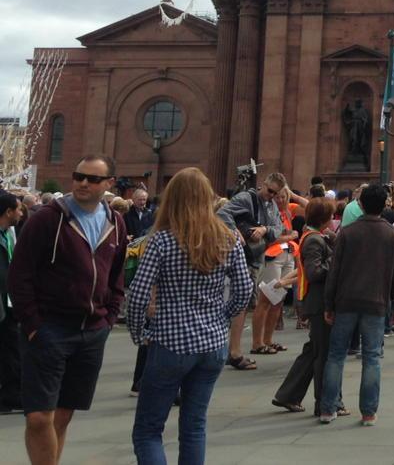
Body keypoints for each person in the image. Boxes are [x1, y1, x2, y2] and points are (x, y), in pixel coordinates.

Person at [127, 167, 252, 464]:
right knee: (194, 426)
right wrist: (223, 317)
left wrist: (138, 332)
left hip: (170, 342)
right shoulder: (227, 238)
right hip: (212, 344)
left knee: (148, 430)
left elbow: (139, 292)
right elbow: (245, 289)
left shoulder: (161, 240)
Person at [9, 155, 128, 465]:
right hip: (49, 328)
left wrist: (109, 315)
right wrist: (34, 323)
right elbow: (19, 274)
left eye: (92, 178)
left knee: (62, 415)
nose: (83, 183)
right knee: (38, 417)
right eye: (78, 176)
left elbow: (116, 274)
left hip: (91, 330)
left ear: (109, 184)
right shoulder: (48, 219)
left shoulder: (115, 221)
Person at [320, 183, 394, 426]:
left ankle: (327, 409)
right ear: (385, 206)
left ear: (360, 204)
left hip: (345, 301)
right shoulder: (393, 234)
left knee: (336, 356)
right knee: (371, 358)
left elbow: (334, 273)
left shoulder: (347, 232)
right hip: (376, 303)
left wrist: (329, 304)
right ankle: (368, 412)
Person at [272, 197, 338, 418]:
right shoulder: (314, 241)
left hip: (314, 301)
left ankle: (287, 395)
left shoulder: (315, 237)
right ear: (324, 218)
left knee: (313, 351)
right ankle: (325, 403)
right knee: (323, 354)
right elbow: (314, 272)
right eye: (330, 215)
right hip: (318, 303)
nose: (333, 218)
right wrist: (335, 263)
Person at [216, 171, 287, 371]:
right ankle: (234, 351)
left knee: (243, 303)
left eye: (276, 193)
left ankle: (232, 350)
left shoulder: (271, 205)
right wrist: (235, 231)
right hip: (241, 257)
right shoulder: (245, 198)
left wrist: (264, 229)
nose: (271, 196)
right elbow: (222, 214)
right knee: (239, 303)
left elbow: (278, 228)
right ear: (263, 184)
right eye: (270, 190)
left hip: (254, 258)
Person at [252, 187, 300, 355]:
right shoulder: (266, 212)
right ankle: (257, 343)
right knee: (266, 299)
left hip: (288, 254)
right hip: (273, 255)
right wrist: (289, 236)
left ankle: (268, 340)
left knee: (278, 300)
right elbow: (268, 237)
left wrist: (293, 194)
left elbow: (308, 206)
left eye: (284, 196)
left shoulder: (288, 210)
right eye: (277, 196)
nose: (280, 200)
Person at [0, 191, 21, 414]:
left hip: (9, 302)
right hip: (2, 301)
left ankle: (11, 394)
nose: (21, 212)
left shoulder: (8, 234)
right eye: (18, 208)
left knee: (12, 349)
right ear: (8, 212)